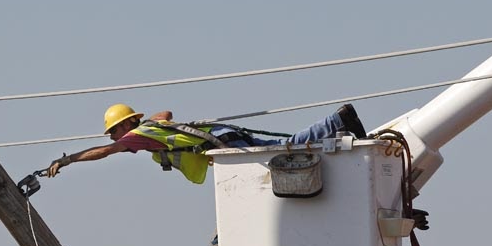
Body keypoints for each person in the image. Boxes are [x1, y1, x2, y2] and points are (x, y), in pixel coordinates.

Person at [46, 103, 368, 184]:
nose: (116, 139)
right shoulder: (148, 128)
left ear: (125, 126)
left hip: (220, 141)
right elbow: (166, 112)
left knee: (283, 154)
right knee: (284, 149)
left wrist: (69, 159)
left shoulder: (136, 136)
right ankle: (337, 128)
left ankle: (337, 121)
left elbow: (104, 152)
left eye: (115, 131)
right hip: (220, 136)